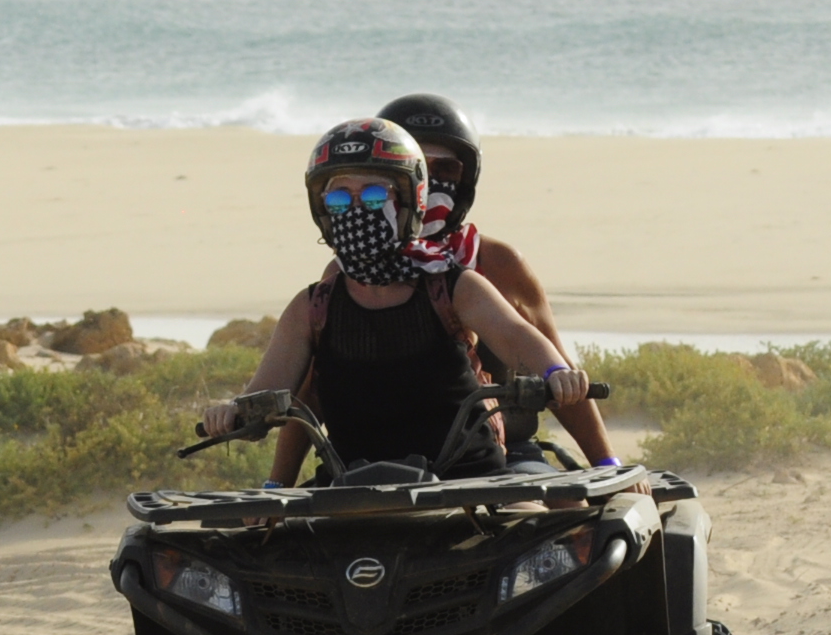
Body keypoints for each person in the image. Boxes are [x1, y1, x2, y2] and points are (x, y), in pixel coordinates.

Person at [206, 119, 590, 477]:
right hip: (351, 491)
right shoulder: (311, 307)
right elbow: (268, 390)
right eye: (339, 199)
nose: (356, 209)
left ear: (409, 201)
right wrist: (233, 412)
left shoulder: (454, 286)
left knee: (535, 531)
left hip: (468, 482)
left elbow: (517, 336)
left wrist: (556, 373)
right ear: (322, 209)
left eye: (374, 195)